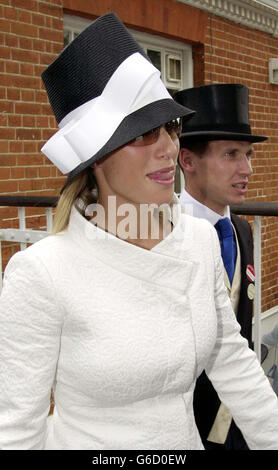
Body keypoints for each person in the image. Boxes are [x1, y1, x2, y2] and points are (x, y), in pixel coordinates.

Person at [0, 14, 278, 451]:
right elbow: (16, 431)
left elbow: (231, 358)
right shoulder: (41, 273)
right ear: (96, 154)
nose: (169, 148)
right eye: (144, 133)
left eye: (169, 127)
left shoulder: (199, 241)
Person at [174, 84, 267, 450]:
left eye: (247, 154)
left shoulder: (241, 230)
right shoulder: (162, 236)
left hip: (234, 424)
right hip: (183, 431)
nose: (247, 169)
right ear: (187, 161)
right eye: (230, 154)